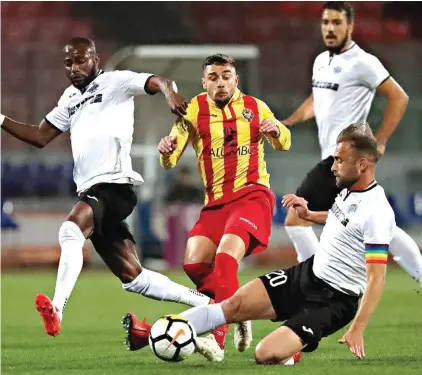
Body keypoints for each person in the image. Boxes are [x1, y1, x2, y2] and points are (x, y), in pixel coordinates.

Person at [0, 37, 213, 341]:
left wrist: (169, 93)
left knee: (70, 230)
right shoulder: (69, 98)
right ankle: (207, 303)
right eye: (68, 62)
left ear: (96, 59)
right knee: (133, 277)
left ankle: (57, 309)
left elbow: (158, 80)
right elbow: (39, 136)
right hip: (93, 191)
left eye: (80, 60)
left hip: (114, 186)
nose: (74, 67)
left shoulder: (115, 82)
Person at [146, 123, 396, 364]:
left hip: (333, 301)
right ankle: (160, 332)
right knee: (232, 305)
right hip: (306, 275)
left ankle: (295, 344)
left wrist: (357, 328)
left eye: (340, 160)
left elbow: (376, 278)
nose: (333, 167)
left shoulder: (377, 212)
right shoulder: (348, 189)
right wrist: (310, 216)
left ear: (362, 164)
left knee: (265, 354)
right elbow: (345, 220)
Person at [123, 54, 291, 357]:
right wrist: (166, 150)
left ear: (235, 80)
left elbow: (284, 141)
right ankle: (238, 310)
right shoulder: (193, 110)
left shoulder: (255, 108)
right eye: (213, 77)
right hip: (215, 203)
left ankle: (217, 336)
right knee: (195, 264)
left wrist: (277, 131)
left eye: (226, 76)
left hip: (252, 197)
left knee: (226, 260)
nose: (220, 82)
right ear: (204, 82)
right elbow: (170, 159)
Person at [281, 1, 422, 286]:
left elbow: (399, 97)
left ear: (350, 27)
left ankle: (316, 285)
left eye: (336, 23)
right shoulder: (321, 61)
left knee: (296, 220)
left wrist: (379, 142)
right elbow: (317, 101)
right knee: (383, 226)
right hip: (333, 159)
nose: (330, 28)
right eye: (325, 23)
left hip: (345, 158)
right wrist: (290, 122)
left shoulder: (363, 62)